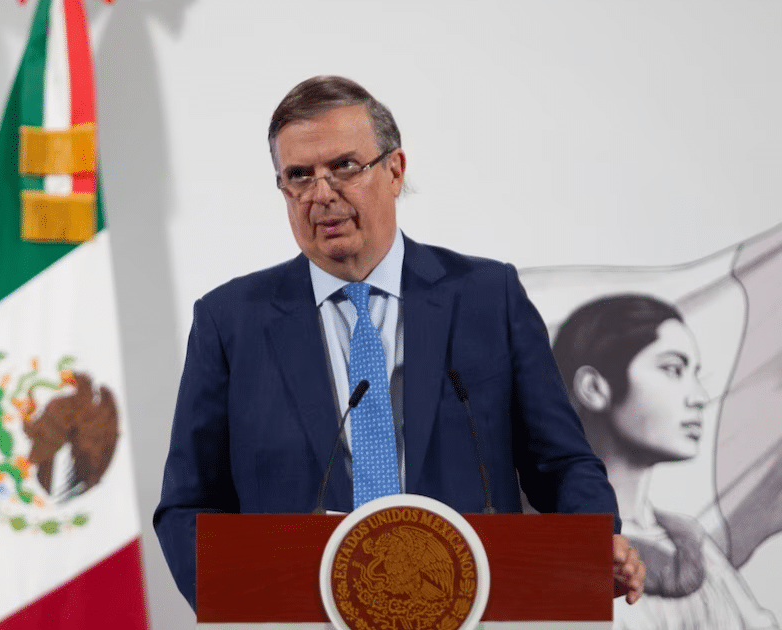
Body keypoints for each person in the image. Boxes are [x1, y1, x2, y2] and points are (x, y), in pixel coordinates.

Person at [152, 75, 645, 610]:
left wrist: (594, 542)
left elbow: (562, 464)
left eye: (344, 166)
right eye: (299, 176)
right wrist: (245, 609)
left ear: (394, 170)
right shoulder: (230, 322)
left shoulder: (487, 297)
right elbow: (187, 507)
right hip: (302, 616)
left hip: (476, 611)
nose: (322, 194)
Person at [554, 294, 778, 630]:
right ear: (594, 388)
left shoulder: (691, 543)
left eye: (695, 374)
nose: (699, 397)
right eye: (673, 369)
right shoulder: (544, 548)